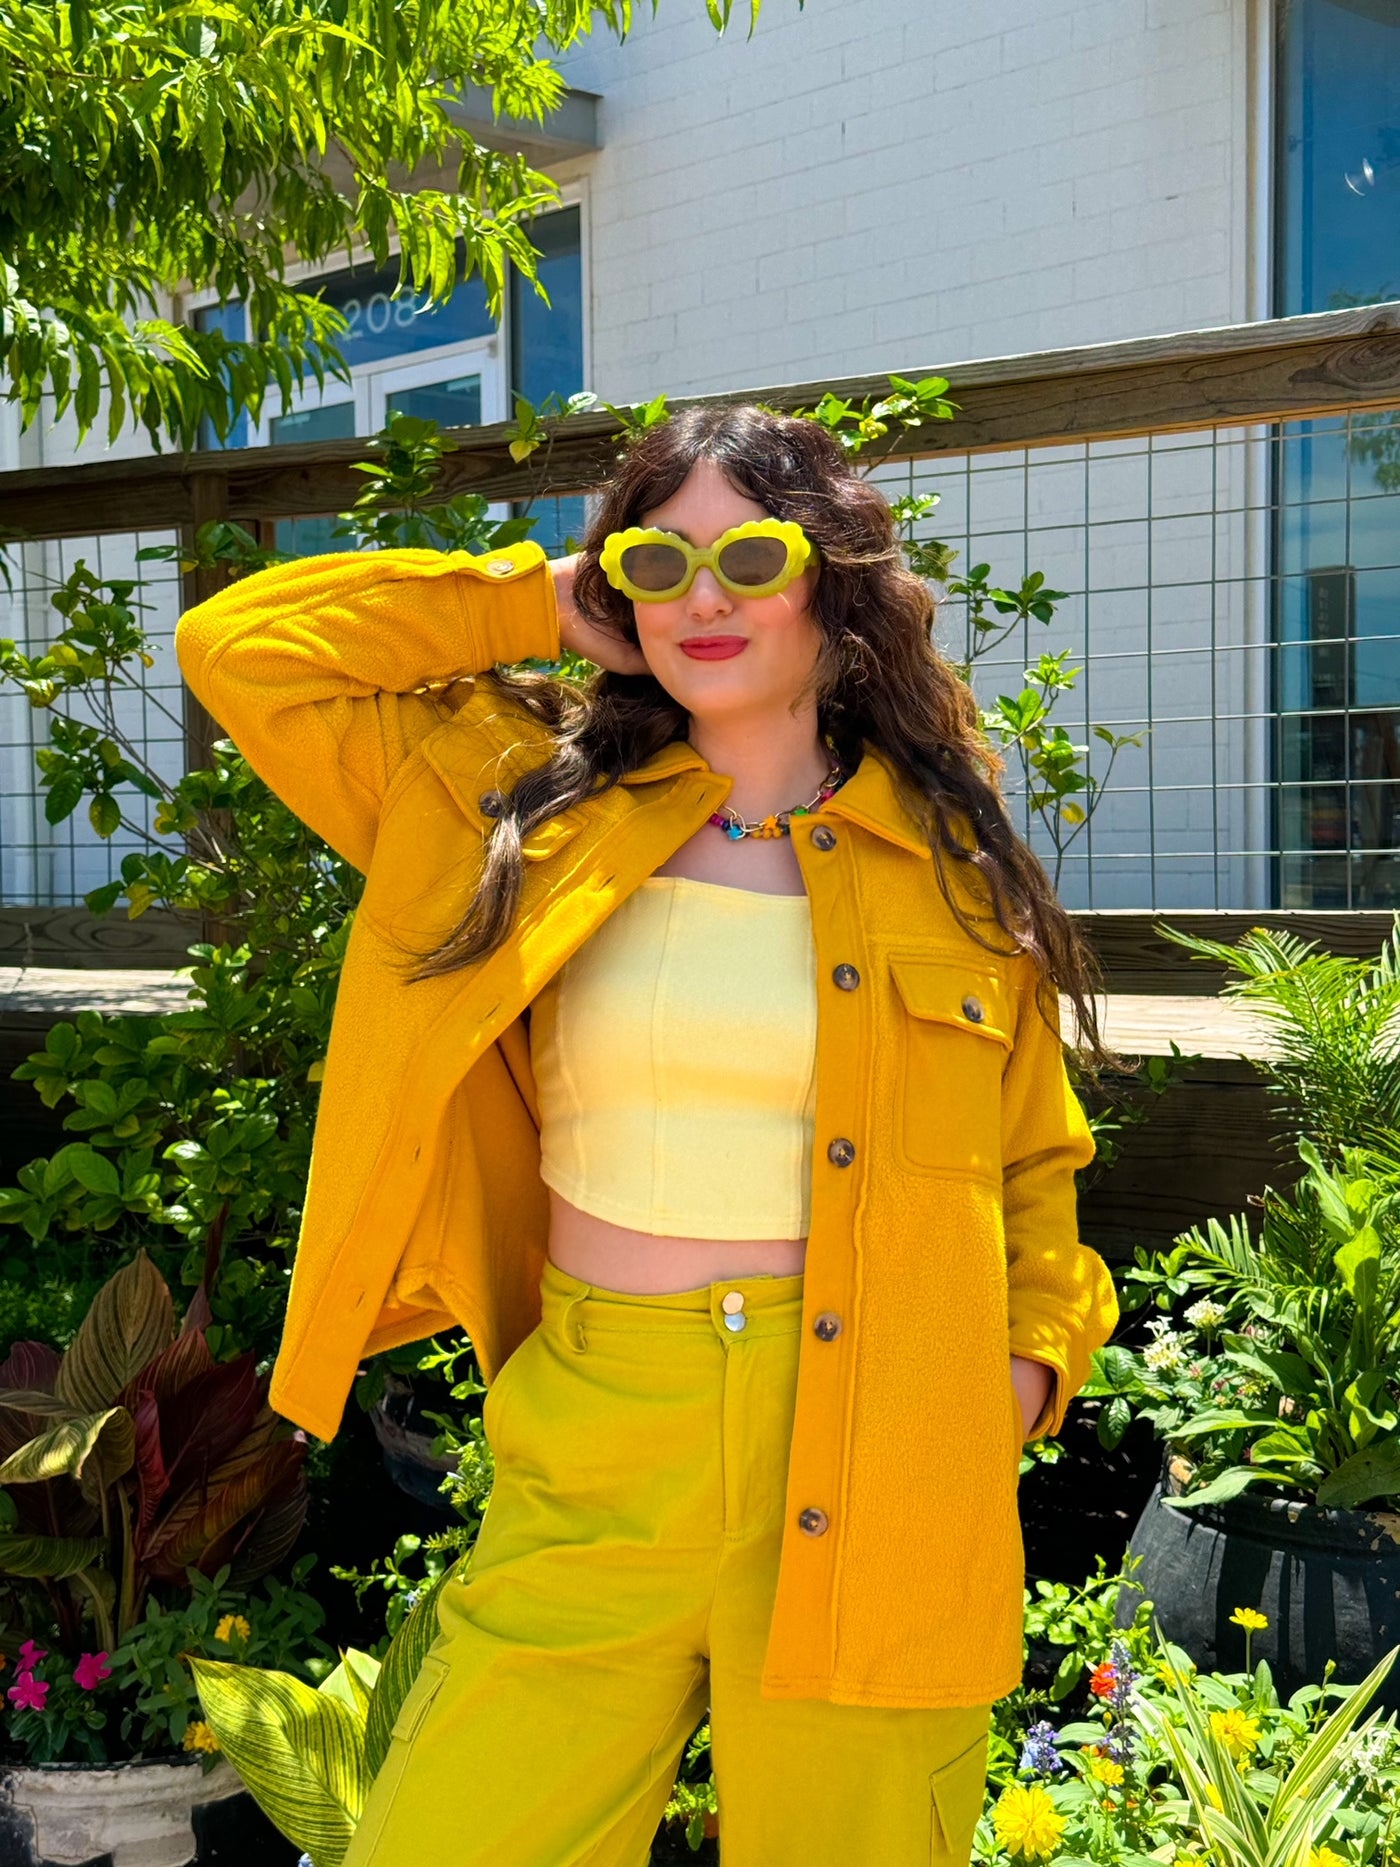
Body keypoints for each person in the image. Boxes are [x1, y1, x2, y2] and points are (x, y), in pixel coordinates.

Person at [174, 403, 1121, 1866]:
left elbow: (1034, 1159)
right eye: (657, 562)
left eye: (751, 556)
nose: (703, 597)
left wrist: (1015, 1378)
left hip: (880, 1437)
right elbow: (241, 650)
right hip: (600, 1431)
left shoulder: (946, 849)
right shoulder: (513, 800)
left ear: (833, 580)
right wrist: (536, 601)